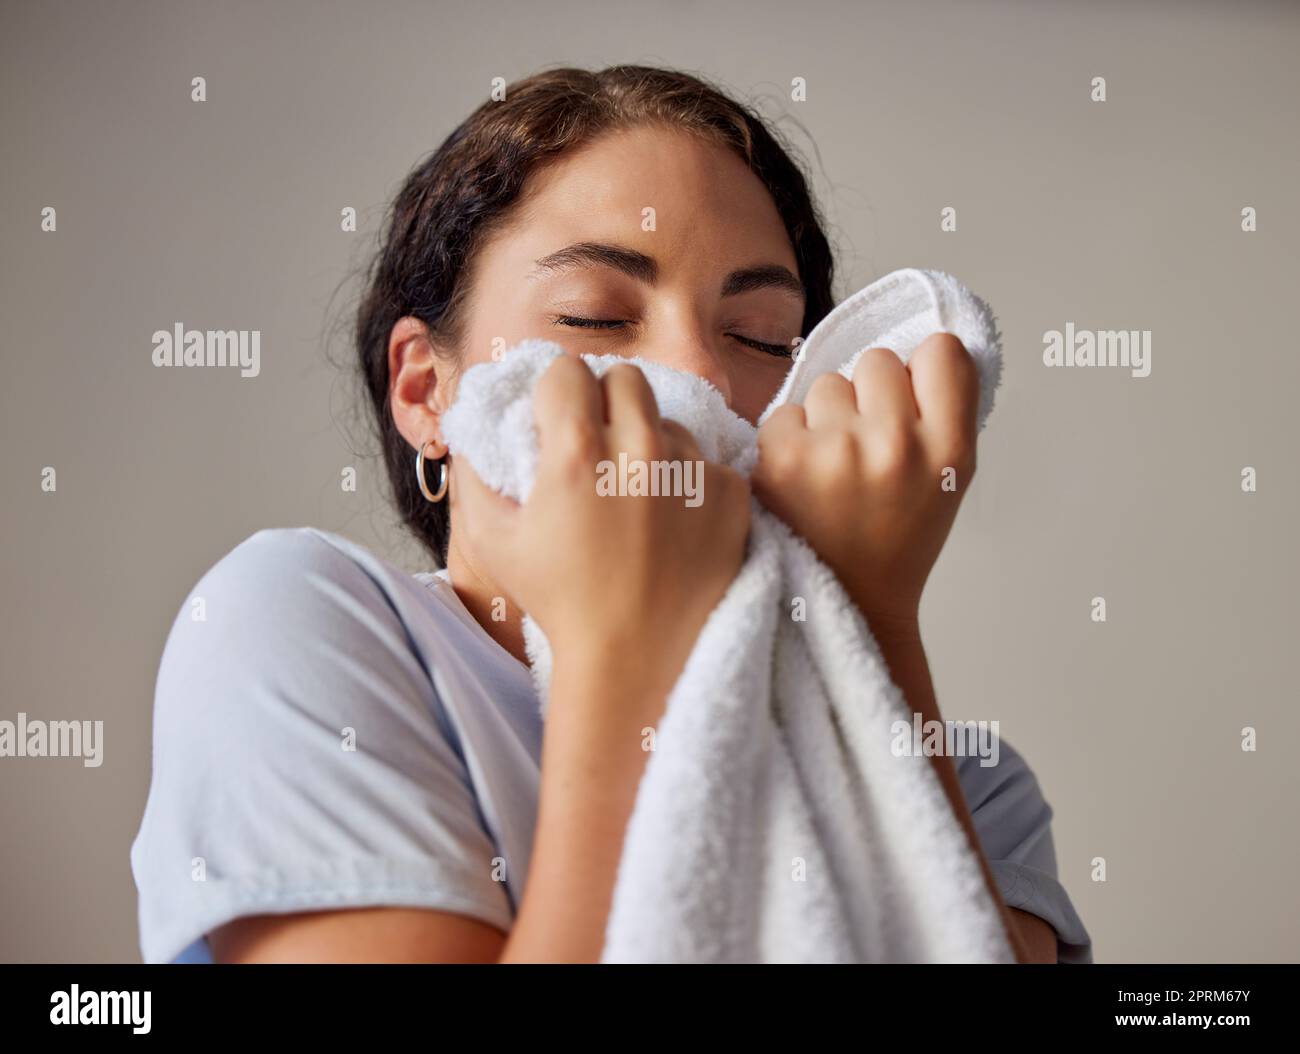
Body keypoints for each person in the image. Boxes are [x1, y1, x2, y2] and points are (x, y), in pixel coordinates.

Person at [130, 65, 1092, 964]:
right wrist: (621, 653)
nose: (699, 376)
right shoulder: (304, 629)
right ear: (427, 391)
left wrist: (871, 624)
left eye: (758, 335)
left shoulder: (970, 783)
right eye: (594, 316)